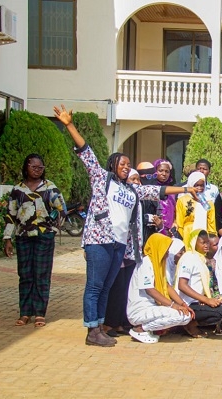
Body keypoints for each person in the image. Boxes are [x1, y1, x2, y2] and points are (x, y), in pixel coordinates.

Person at [54, 105, 200, 347]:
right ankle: (92, 330)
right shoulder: (102, 179)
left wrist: (186, 188)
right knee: (95, 286)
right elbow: (85, 152)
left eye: (128, 164)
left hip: (119, 244)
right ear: (113, 165)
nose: (126, 166)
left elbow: (157, 190)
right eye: (122, 163)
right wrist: (69, 125)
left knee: (107, 287)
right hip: (99, 241)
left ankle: (100, 326)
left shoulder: (131, 188)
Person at [5, 153, 66, 328]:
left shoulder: (50, 188)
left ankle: (40, 313)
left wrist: (53, 229)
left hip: (44, 237)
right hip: (23, 237)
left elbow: (61, 210)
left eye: (41, 168)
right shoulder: (18, 190)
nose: (37, 170)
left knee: (41, 275)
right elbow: (11, 215)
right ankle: (25, 312)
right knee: (24, 275)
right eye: (34, 167)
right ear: (26, 167)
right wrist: (7, 238)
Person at [126, 233, 194, 344]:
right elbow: (150, 290)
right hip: (139, 311)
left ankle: (146, 328)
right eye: (166, 250)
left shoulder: (158, 264)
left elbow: (166, 286)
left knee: (186, 315)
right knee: (182, 316)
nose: (167, 254)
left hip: (152, 307)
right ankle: (140, 329)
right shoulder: (146, 262)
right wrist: (173, 305)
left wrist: (182, 304)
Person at [103, 169, 141, 337]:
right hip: (119, 246)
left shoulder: (135, 195)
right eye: (133, 179)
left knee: (126, 288)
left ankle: (121, 322)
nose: (137, 182)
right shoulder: (117, 195)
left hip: (133, 249)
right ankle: (109, 323)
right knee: (115, 287)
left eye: (138, 179)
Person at [177, 229, 222, 338]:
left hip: (198, 301)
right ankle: (190, 324)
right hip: (188, 303)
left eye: (207, 242)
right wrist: (206, 300)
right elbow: (182, 285)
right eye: (203, 242)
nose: (206, 245)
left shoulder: (200, 258)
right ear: (194, 242)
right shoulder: (189, 258)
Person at [175, 171, 216, 249]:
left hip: (203, 236)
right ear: (191, 185)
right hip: (187, 235)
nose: (199, 188)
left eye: (202, 185)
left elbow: (211, 225)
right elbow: (179, 223)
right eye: (196, 185)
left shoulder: (208, 203)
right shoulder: (182, 200)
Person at [153, 158, 176, 236]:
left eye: (167, 171)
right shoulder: (151, 189)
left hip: (169, 231)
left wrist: (174, 222)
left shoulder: (172, 191)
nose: (164, 174)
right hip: (154, 229)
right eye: (161, 170)